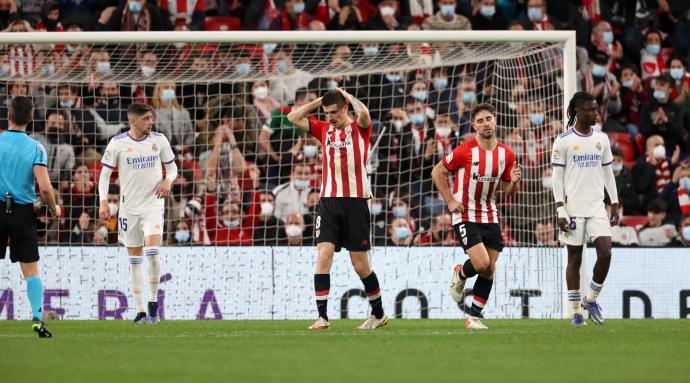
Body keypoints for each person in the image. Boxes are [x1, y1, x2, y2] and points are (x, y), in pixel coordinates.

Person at [288, 88, 388, 331]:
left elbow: (363, 113)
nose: (330, 117)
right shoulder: (324, 130)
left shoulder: (361, 129)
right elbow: (293, 117)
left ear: (345, 108)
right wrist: (319, 102)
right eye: (326, 113)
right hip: (329, 202)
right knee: (323, 256)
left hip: (355, 202)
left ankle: (378, 314)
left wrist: (347, 95)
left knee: (360, 265)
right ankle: (322, 317)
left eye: (334, 112)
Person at [431, 103, 521, 329]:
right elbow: (437, 172)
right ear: (474, 126)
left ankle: (474, 317)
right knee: (481, 263)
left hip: (490, 215)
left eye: (488, 118)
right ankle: (461, 273)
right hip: (466, 214)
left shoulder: (506, 155)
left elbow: (508, 191)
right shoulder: (465, 151)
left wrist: (515, 182)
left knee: (490, 268)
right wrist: (451, 201)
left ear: (495, 120)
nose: (485, 123)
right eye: (480, 121)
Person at [98, 103, 178, 324]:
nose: (150, 122)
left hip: (153, 205)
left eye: (151, 118)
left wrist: (167, 180)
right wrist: (103, 202)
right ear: (133, 121)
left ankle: (153, 301)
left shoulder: (159, 140)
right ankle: (141, 310)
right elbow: (104, 176)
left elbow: (172, 169)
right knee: (134, 260)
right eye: (146, 119)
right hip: (128, 209)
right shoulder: (118, 143)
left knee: (152, 252)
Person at [551, 92, 619, 326]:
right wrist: (560, 208)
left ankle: (591, 299)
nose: (596, 113)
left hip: (597, 207)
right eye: (591, 109)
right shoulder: (563, 140)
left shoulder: (602, 138)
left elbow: (608, 172)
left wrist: (616, 201)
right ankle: (576, 311)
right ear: (578, 111)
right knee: (575, 258)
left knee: (606, 252)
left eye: (596, 108)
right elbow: (557, 178)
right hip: (572, 209)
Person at [0, 96, 61, 337]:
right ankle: (37, 316)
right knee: (31, 271)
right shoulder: (36, 147)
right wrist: (53, 207)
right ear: (31, 117)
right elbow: (45, 187)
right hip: (22, 212)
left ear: (9, 116)